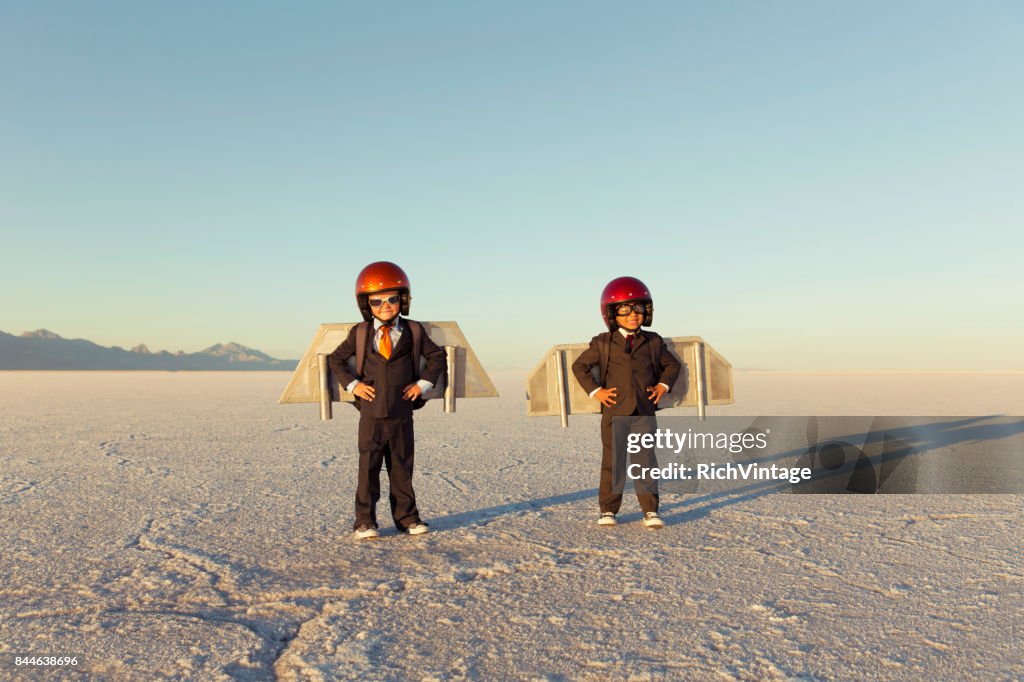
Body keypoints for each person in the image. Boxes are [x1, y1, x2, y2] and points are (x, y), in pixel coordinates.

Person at [328, 261, 446, 540]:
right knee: (368, 469)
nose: (385, 306)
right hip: (370, 414)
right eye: (377, 301)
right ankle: (365, 521)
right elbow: (336, 360)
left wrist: (423, 384)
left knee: (402, 467)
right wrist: (353, 385)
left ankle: (407, 518)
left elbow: (437, 356)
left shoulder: (413, 330)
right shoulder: (360, 333)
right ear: (366, 304)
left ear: (403, 299)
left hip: (402, 411)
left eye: (392, 299)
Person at [571, 276, 682, 529]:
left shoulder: (653, 341)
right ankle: (608, 509)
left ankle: (650, 511)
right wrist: (595, 391)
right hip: (614, 411)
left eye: (639, 308)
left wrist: (663, 386)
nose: (634, 315)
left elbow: (672, 365)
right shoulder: (603, 343)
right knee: (614, 461)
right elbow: (579, 366)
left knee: (646, 461)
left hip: (643, 410)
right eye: (625, 309)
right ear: (612, 314)